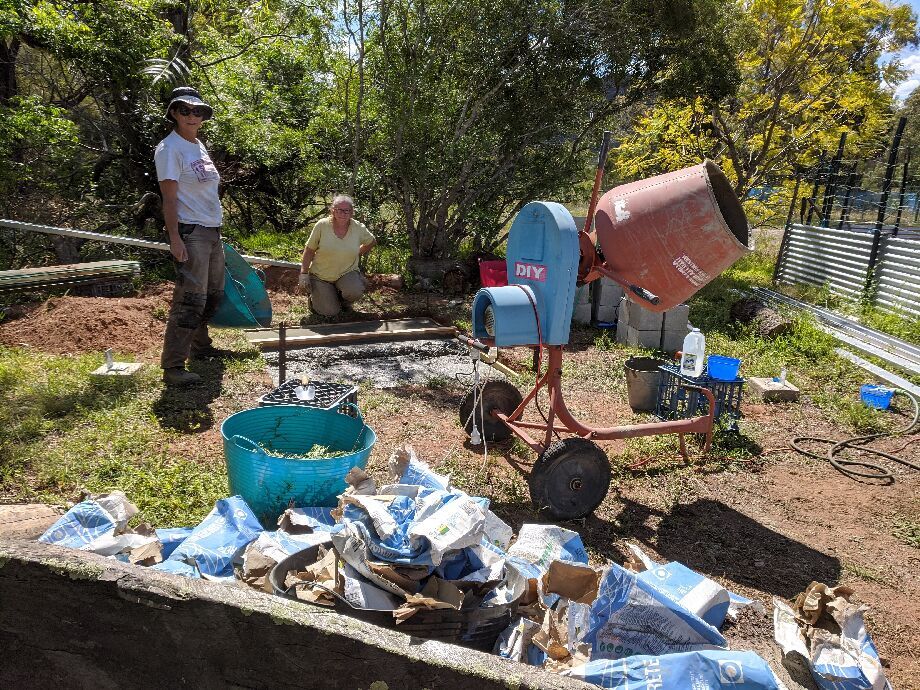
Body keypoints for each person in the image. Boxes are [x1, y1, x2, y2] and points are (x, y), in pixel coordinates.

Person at [154, 86, 225, 386]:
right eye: (185, 110)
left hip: (211, 229)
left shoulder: (197, 145)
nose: (192, 116)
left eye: (197, 111)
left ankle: (201, 347)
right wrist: (175, 238)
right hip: (191, 230)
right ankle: (173, 366)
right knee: (190, 300)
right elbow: (168, 199)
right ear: (173, 113)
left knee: (212, 295)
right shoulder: (169, 149)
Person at [299, 195, 376, 317]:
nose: (343, 213)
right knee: (330, 312)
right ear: (332, 210)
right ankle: (315, 300)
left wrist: (357, 252)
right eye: (339, 210)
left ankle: (344, 302)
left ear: (352, 212)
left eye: (347, 210)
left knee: (354, 291)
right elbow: (309, 250)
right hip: (321, 276)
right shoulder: (322, 226)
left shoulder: (358, 228)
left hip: (346, 272)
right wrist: (303, 274)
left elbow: (371, 241)